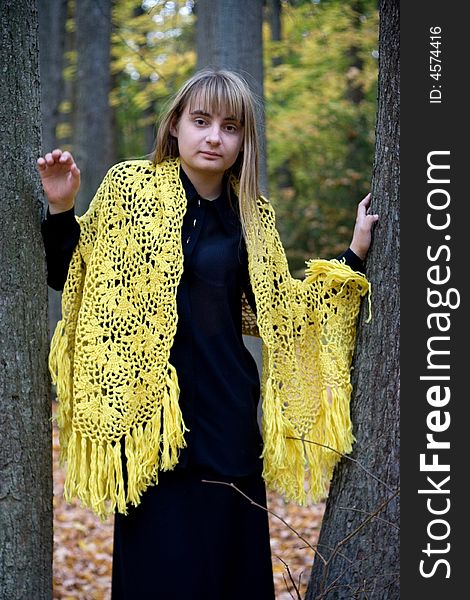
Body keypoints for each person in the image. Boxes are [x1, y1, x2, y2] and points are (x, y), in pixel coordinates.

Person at [38, 69, 378, 600]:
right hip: (147, 427)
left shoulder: (251, 215)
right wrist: (62, 207)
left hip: (227, 423)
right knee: (158, 577)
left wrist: (352, 254)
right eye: (201, 121)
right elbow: (73, 273)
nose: (214, 136)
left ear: (244, 140)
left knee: (228, 576)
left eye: (230, 126)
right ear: (175, 126)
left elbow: (284, 313)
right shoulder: (129, 189)